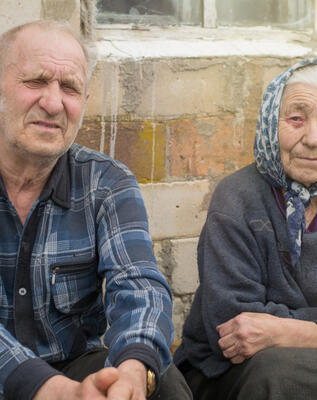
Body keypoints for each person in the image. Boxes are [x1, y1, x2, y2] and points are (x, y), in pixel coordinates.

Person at [174, 58, 317, 399]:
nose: (313, 138)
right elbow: (233, 327)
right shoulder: (236, 199)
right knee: (277, 372)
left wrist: (282, 330)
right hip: (235, 375)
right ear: (269, 123)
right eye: (296, 119)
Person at [0, 20, 192, 400]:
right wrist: (45, 388)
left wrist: (133, 371)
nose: (53, 103)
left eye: (69, 87)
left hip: (75, 369)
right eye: (36, 81)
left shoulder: (106, 183)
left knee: (163, 384)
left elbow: (140, 286)